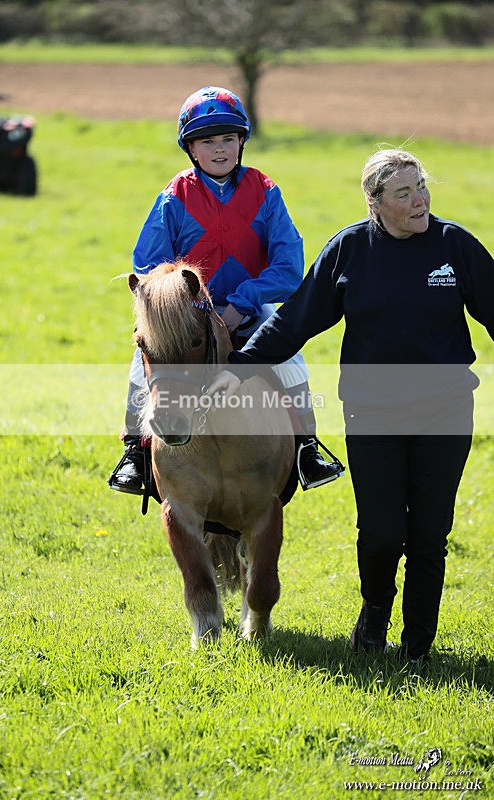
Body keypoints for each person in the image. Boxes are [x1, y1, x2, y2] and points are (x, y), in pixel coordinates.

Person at [209, 147, 494, 667]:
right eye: (403, 193)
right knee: (382, 533)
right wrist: (240, 366)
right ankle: (374, 617)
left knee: (429, 535)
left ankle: (418, 646)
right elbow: (296, 319)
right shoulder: (350, 250)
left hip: (446, 412)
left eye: (422, 187)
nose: (419, 200)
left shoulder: (454, 246)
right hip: (373, 413)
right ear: (375, 202)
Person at [108, 86, 343, 495]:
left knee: (291, 357)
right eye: (207, 141)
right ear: (191, 149)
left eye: (228, 139)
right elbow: (147, 265)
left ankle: (307, 448)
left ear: (241, 142)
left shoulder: (264, 190)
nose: (219, 149)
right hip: (188, 317)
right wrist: (185, 306)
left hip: (252, 308)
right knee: (140, 360)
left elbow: (289, 266)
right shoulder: (174, 197)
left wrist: (242, 303)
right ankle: (135, 453)